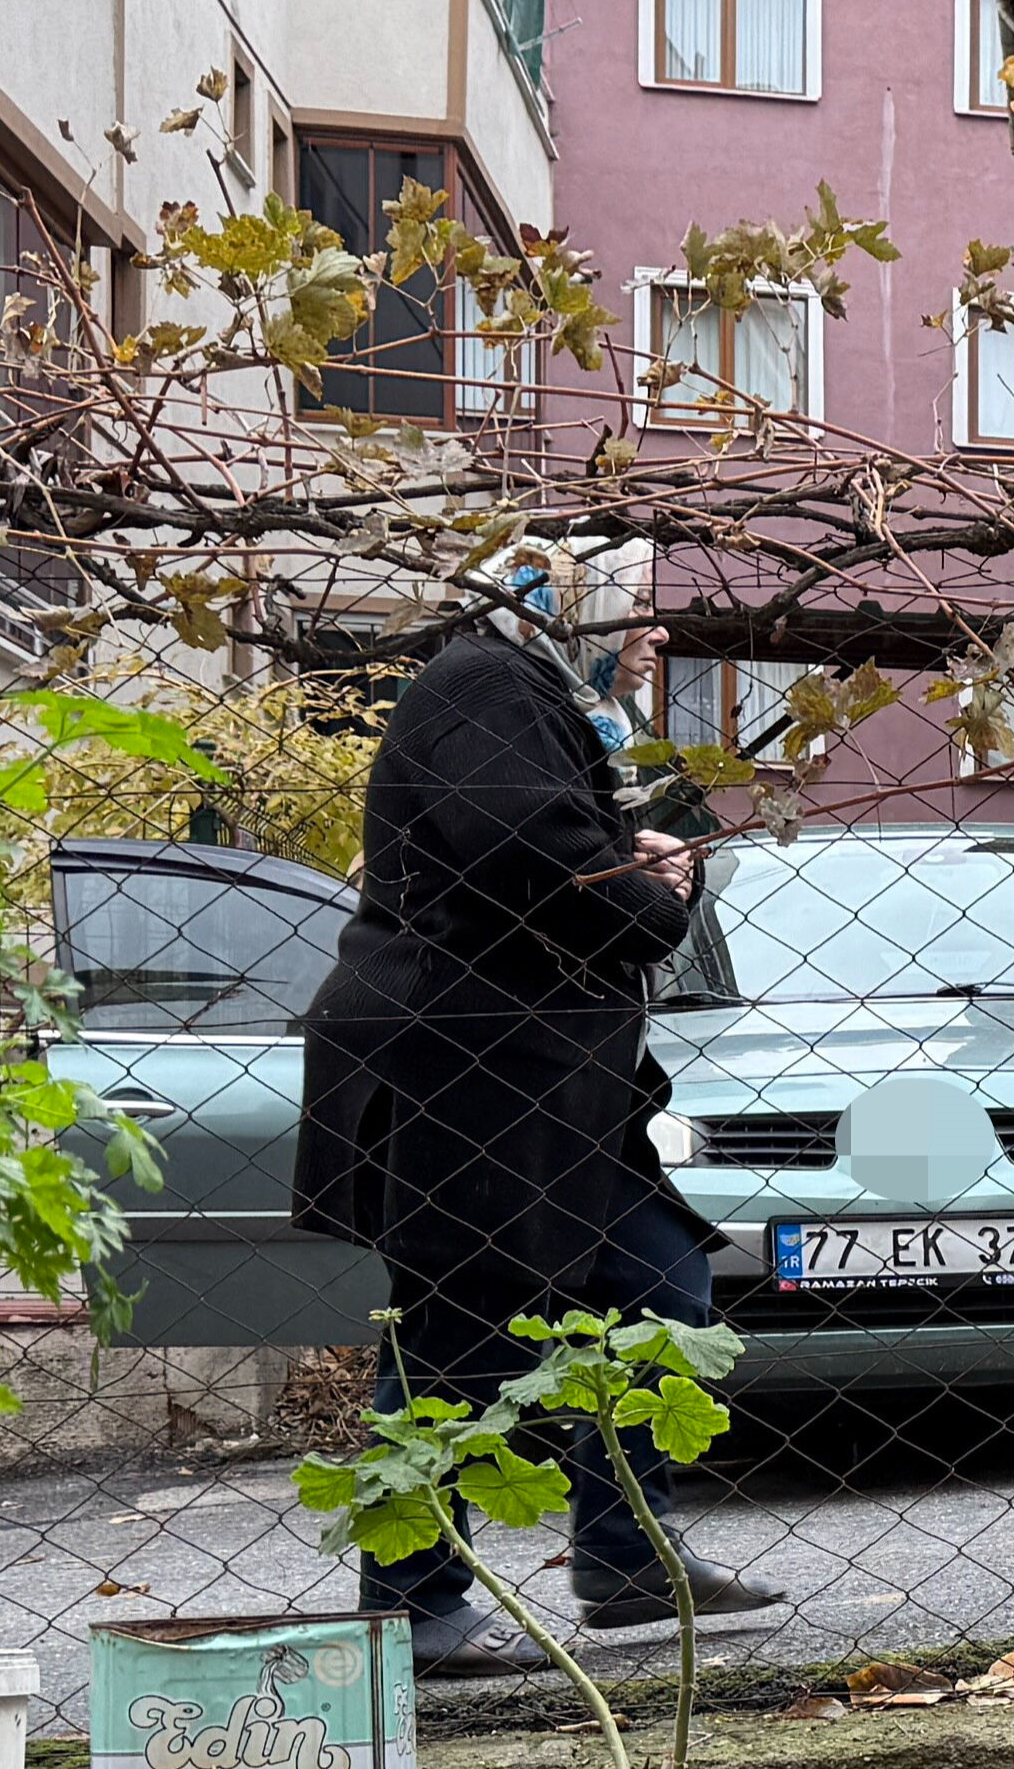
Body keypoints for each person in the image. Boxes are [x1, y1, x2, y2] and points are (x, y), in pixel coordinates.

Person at [295, 555, 784, 1674]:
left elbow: (532, 847)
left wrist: (633, 859)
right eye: (640, 614)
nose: (657, 640)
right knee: (457, 1328)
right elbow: (529, 858)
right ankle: (411, 1607)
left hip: (531, 1078)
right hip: (460, 1071)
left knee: (661, 1285)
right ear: (573, 603)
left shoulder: (541, 700)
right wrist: (651, 896)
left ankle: (624, 1558)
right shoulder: (488, 684)